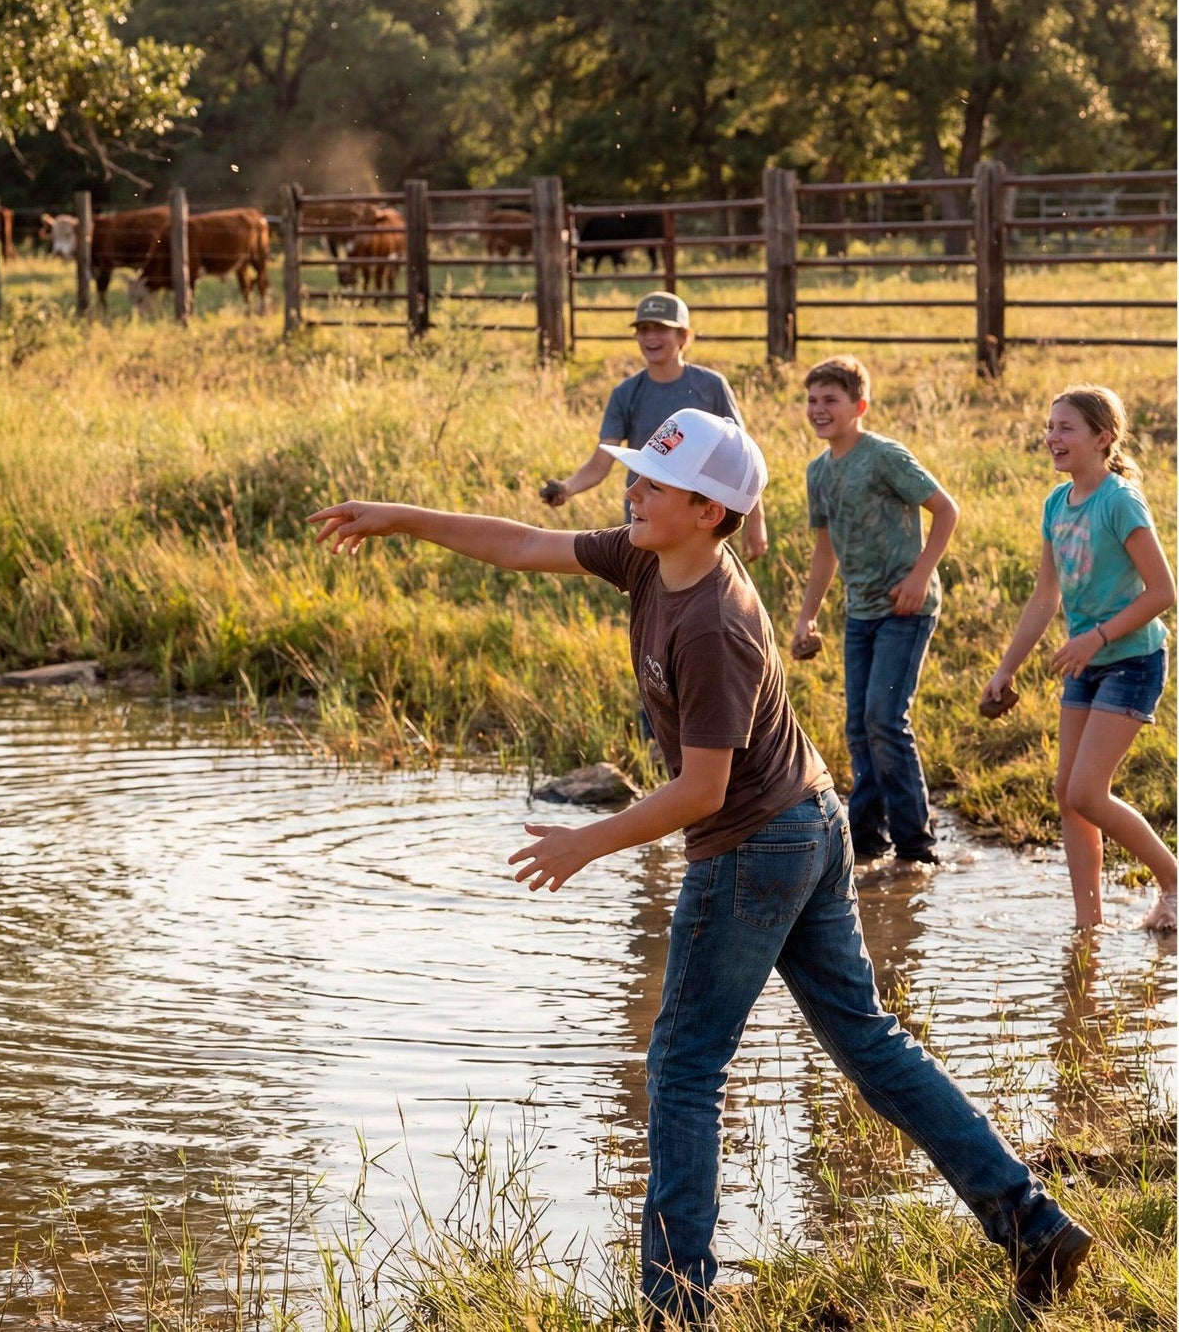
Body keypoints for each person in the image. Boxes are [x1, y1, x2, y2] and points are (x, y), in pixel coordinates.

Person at [310, 408, 1092, 1325]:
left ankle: (675, 1303)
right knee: (870, 1047)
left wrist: (581, 842)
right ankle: (1032, 1223)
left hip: (757, 846)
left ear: (709, 510)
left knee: (682, 1066)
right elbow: (522, 542)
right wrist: (400, 516)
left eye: (650, 482)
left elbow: (701, 791)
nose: (632, 491)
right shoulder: (649, 554)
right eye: (636, 476)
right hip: (804, 823)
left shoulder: (712, 622)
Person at [983, 385, 1176, 932]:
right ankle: (1088, 927)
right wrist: (1006, 668)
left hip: (1133, 660)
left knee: (1088, 791)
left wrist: (1095, 637)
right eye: (1050, 427)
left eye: (1066, 428)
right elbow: (1045, 597)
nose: (1052, 438)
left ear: (1103, 438)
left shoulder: (1120, 501)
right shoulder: (1055, 504)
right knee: (1067, 795)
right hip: (1086, 667)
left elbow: (1163, 592)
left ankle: (1174, 879)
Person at [790, 355, 958, 864]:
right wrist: (807, 615)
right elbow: (826, 549)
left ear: (858, 406)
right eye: (812, 401)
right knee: (859, 725)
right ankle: (866, 841)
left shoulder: (884, 456)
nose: (819, 410)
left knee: (886, 718)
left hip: (905, 608)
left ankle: (917, 844)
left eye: (831, 401)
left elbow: (946, 509)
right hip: (859, 611)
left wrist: (920, 574)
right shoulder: (818, 471)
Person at [542, 291, 768, 560]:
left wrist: (756, 518)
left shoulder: (710, 386)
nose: (650, 337)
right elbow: (601, 462)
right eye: (643, 329)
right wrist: (567, 488)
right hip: (648, 516)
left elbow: (741, 462)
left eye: (661, 329)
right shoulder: (626, 393)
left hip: (697, 521)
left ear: (684, 336)